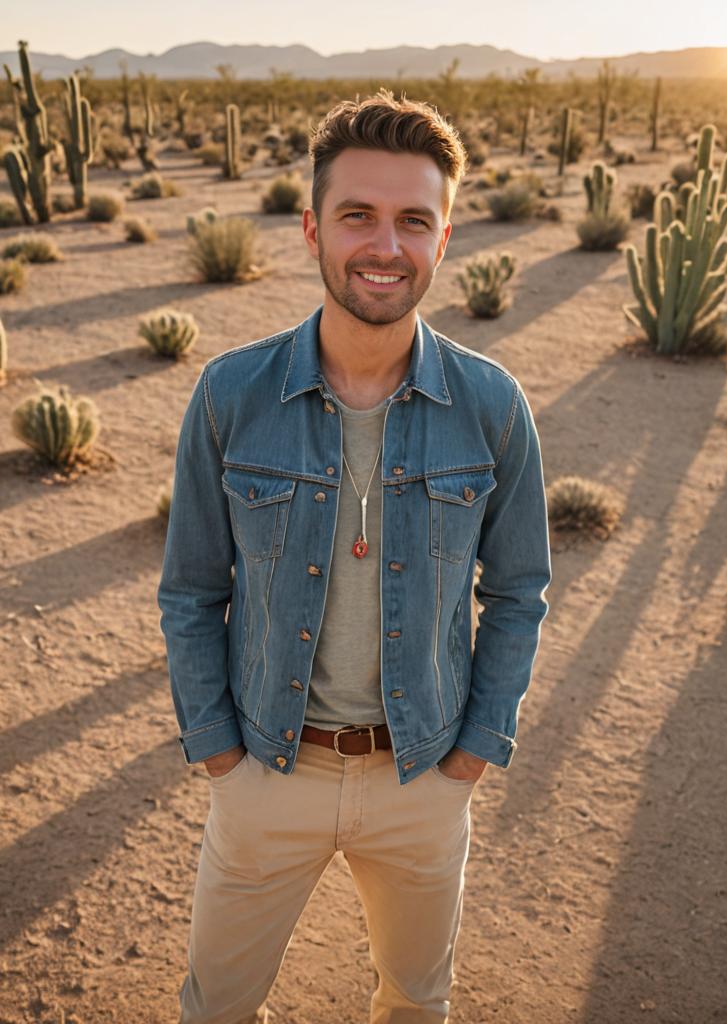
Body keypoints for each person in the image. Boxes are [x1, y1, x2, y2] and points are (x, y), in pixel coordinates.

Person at [157, 88, 552, 1024]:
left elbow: (522, 589)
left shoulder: (493, 407)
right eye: (358, 216)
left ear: (444, 237)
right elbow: (189, 589)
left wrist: (473, 758)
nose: (386, 246)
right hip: (266, 772)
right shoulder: (231, 396)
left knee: (417, 1004)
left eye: (414, 220)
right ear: (312, 230)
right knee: (215, 1008)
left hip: (422, 779)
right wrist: (219, 756)